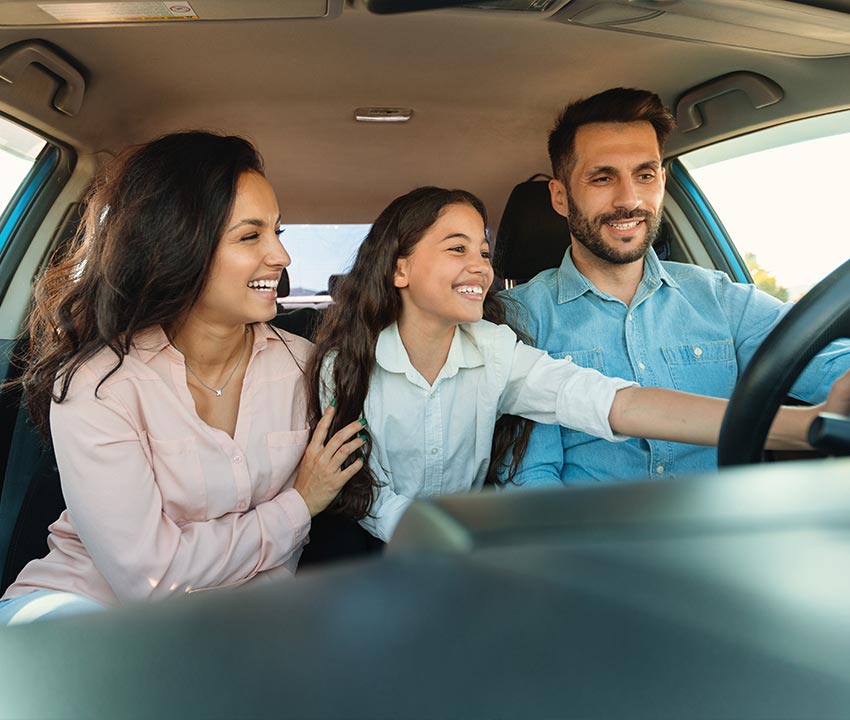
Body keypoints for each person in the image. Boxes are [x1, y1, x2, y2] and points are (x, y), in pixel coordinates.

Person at [305, 186, 850, 542]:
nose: (480, 267)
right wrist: (446, 538)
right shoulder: (345, 364)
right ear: (400, 269)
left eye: (485, 252)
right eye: (457, 249)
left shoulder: (495, 350)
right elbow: (364, 492)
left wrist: (807, 424)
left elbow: (617, 402)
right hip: (373, 542)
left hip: (463, 546)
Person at [0, 131, 363, 625]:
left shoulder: (307, 369)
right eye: (250, 235)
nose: (282, 257)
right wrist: (298, 505)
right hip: (84, 611)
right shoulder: (100, 384)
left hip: (242, 623)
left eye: (279, 232)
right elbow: (150, 582)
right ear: (178, 246)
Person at [504, 87, 850, 487]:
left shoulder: (719, 299)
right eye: (603, 177)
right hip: (596, 541)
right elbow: (531, 481)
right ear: (561, 197)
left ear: (662, 182)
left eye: (645, 175)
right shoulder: (518, 320)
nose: (629, 199)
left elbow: (826, 359)